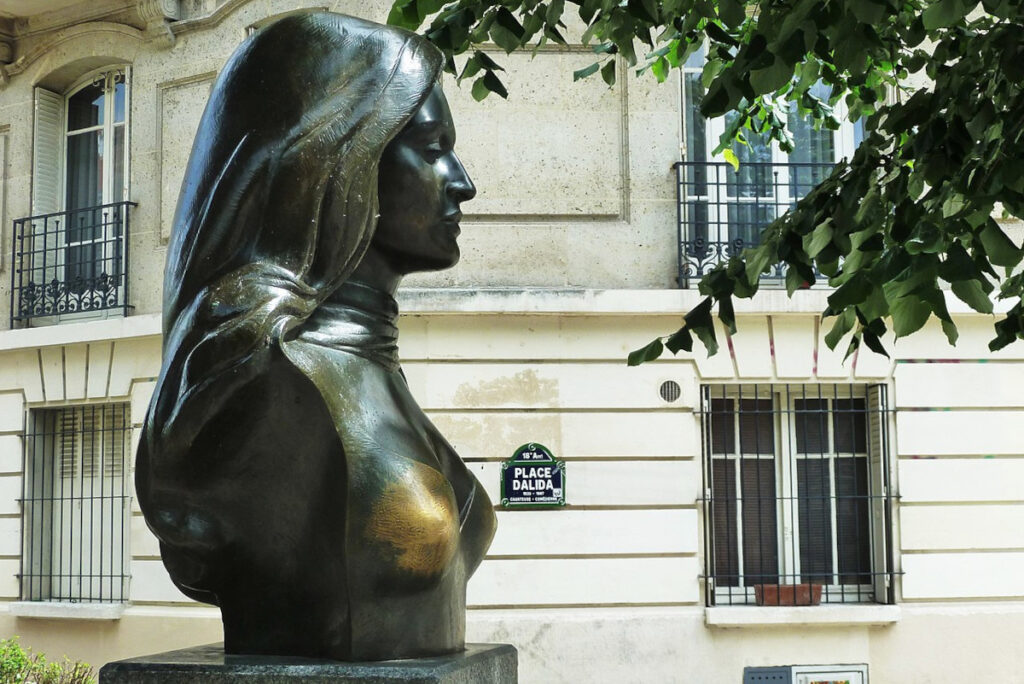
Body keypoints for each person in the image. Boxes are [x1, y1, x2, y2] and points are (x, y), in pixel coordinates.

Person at [136, 11, 495, 661]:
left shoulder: (366, 366)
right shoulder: (273, 375)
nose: (463, 183)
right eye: (432, 147)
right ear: (338, 159)